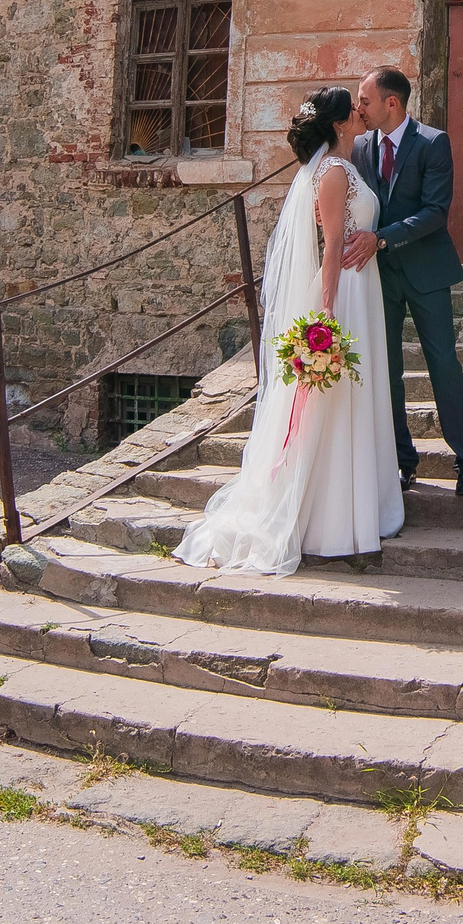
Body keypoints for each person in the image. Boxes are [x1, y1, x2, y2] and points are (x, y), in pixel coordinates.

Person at [174, 87, 404, 574]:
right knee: (337, 400)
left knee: (356, 396)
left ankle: (361, 501)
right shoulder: (334, 172)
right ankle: (331, 515)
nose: (361, 111)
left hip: (362, 287)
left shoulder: (345, 165)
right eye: (354, 107)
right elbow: (331, 245)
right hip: (346, 292)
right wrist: (328, 312)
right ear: (339, 124)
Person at [345, 67, 463, 497]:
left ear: (392, 103)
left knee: (444, 364)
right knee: (386, 372)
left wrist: (382, 238)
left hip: (427, 271)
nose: (358, 108)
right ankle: (402, 462)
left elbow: (435, 212)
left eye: (365, 100)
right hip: (378, 276)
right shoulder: (360, 146)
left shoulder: (433, 143)